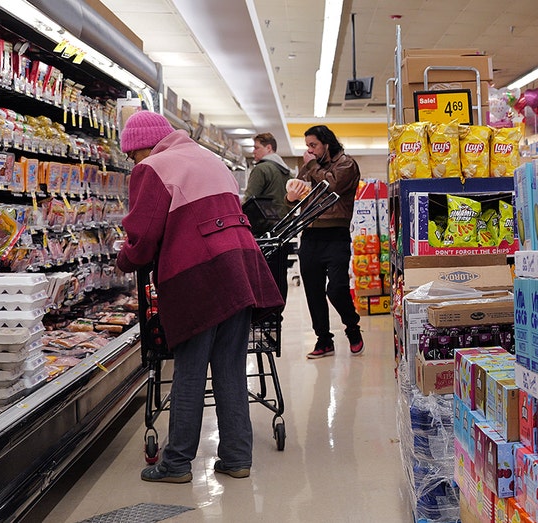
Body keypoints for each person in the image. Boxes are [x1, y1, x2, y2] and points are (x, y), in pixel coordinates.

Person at [116, 110, 284, 483]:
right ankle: (237, 458)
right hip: (240, 272)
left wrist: (124, 259)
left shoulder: (155, 168)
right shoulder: (209, 159)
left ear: (144, 147)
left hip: (199, 277)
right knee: (230, 369)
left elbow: (143, 238)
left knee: (189, 373)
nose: (133, 163)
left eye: (132, 155)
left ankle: (176, 464)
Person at [285, 125, 362, 359]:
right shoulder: (310, 167)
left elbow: (332, 185)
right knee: (313, 291)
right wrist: (290, 197)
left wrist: (310, 165)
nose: (309, 150)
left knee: (336, 288)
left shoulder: (346, 164)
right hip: (310, 235)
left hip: (336, 235)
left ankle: (352, 328)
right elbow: (294, 198)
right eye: (307, 145)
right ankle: (324, 340)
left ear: (326, 143)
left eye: (313, 145)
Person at [244, 132, 294, 220]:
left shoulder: (261, 169)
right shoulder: (288, 171)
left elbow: (249, 200)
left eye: (256, 148)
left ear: (268, 148)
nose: (253, 151)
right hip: (286, 224)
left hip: (266, 225)